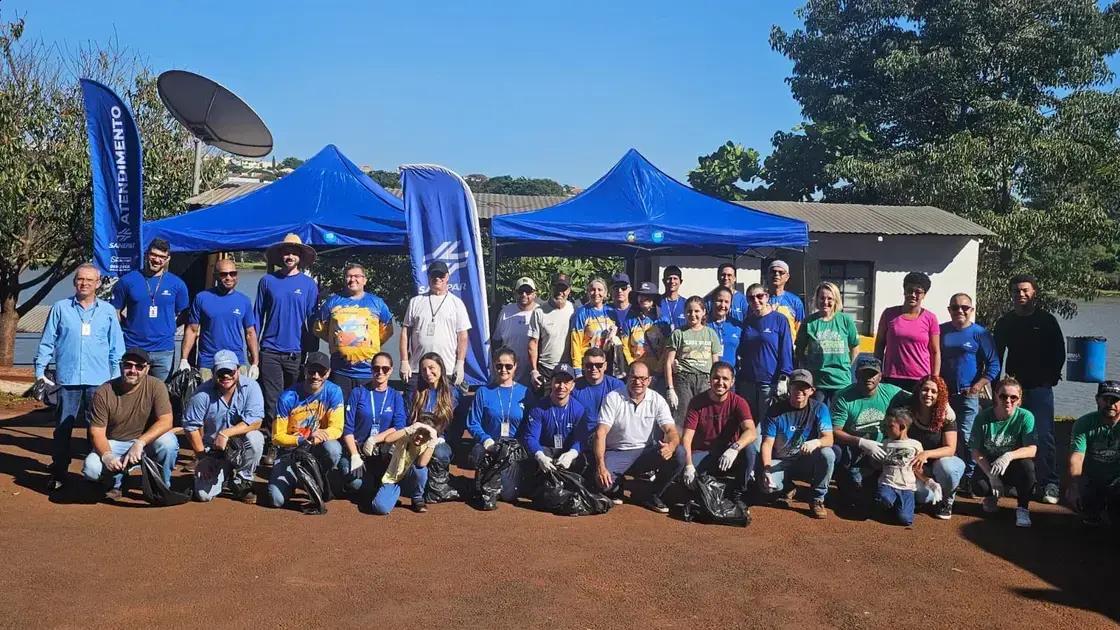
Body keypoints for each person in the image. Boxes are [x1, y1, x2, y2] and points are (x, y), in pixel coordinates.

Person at [34, 263, 125, 492]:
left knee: (98, 429)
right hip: (68, 380)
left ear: (98, 283)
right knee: (62, 429)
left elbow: (117, 348)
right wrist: (40, 373)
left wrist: (116, 379)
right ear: (75, 282)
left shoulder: (107, 311)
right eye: (80, 279)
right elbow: (47, 342)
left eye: (89, 280)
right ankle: (59, 472)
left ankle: (98, 473)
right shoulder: (60, 308)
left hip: (100, 382)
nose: (84, 283)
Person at [993, 274, 1065, 506]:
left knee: (1043, 434)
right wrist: (995, 386)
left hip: (1040, 388)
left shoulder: (1046, 320)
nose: (1020, 294)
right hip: (1013, 389)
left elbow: (1059, 351)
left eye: (1025, 290)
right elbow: (996, 355)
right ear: (1011, 294)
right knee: (1012, 434)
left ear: (1034, 293)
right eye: (1016, 290)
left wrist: (1051, 377)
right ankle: (1016, 481)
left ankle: (1049, 482)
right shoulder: (1005, 322)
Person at [81, 348, 180, 499]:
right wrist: (107, 456)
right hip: (115, 442)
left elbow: (166, 421)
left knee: (168, 443)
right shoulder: (104, 392)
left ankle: (160, 486)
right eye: (128, 365)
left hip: (145, 442)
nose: (133, 370)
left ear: (147, 369)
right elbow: (96, 432)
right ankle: (116, 482)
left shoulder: (157, 386)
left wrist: (140, 442)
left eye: (139, 366)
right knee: (91, 469)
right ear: (121, 366)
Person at [255, 234, 319, 463]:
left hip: (296, 352)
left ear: (300, 257)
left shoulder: (309, 285)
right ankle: (274, 444)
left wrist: (312, 352)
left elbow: (313, 321)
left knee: (294, 400)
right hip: (270, 350)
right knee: (273, 401)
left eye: (294, 253)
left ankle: (292, 444)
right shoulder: (267, 281)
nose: (289, 256)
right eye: (286, 253)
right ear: (280, 255)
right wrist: (253, 353)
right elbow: (257, 317)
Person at [593, 362, 687, 513]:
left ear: (649, 380)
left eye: (643, 378)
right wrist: (601, 466)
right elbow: (601, 432)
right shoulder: (613, 398)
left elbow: (671, 430)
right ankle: (618, 486)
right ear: (628, 378)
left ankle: (652, 494)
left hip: (645, 453)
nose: (638, 382)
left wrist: (671, 446)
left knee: (680, 453)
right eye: (634, 377)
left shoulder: (657, 399)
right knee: (603, 484)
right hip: (617, 452)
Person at [181, 350, 265, 503]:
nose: (226, 376)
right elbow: (190, 426)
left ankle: (242, 479)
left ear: (237, 370)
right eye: (221, 372)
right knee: (204, 495)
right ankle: (225, 474)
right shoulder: (201, 394)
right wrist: (201, 458)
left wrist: (226, 433)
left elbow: (256, 421)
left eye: (230, 371)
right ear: (213, 373)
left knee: (256, 438)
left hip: (241, 446)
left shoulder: (252, 387)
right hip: (214, 449)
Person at [265, 351, 344, 508]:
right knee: (276, 500)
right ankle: (297, 478)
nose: (315, 376)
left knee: (333, 449)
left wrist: (317, 438)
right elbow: (277, 437)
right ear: (304, 370)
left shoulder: (334, 391)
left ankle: (317, 477)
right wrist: (305, 437)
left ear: (328, 373)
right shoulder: (287, 397)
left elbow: (337, 428)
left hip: (316, 448)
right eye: (312, 371)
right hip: (290, 452)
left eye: (321, 372)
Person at [830, 357, 909, 507]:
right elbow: (835, 431)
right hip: (853, 449)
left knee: (878, 498)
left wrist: (943, 406)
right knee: (853, 495)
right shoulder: (843, 396)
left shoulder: (891, 392)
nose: (869, 378)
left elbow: (919, 398)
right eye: (864, 373)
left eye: (873, 374)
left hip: (882, 450)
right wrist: (861, 442)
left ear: (880, 376)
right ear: (856, 374)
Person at [939, 292, 1000, 487]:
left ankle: (971, 477)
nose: (960, 311)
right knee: (945, 436)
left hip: (967, 396)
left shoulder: (980, 333)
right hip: (943, 395)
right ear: (949, 310)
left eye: (964, 307)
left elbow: (994, 365)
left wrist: (977, 386)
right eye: (955, 307)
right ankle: (950, 477)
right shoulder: (940, 331)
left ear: (971, 310)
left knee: (967, 437)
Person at [758, 369, 835, 519]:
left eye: (804, 387)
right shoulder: (775, 410)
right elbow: (767, 443)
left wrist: (817, 442)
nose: (799, 391)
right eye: (795, 386)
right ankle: (787, 486)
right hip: (781, 461)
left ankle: (817, 498)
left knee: (828, 454)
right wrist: (766, 469)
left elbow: (829, 439)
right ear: (789, 388)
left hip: (806, 460)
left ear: (812, 390)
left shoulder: (820, 408)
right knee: (767, 488)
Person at [681, 362, 757, 509]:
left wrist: (734, 448)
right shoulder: (697, 402)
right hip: (704, 453)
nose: (720, 382)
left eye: (725, 379)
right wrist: (689, 465)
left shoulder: (738, 402)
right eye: (716, 378)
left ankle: (738, 493)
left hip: (728, 454)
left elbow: (751, 431)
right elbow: (686, 438)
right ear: (709, 379)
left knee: (750, 449)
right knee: (684, 477)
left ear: (732, 382)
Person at [110, 238, 189, 380]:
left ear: (168, 259)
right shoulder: (127, 281)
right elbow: (115, 311)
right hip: (133, 347)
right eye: (154, 255)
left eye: (162, 257)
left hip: (163, 349)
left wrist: (168, 327)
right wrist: (127, 327)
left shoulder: (177, 284)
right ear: (146, 254)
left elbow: (184, 314)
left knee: (160, 391)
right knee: (131, 389)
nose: (157, 260)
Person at [314, 262, 394, 400]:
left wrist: (370, 343)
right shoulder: (332, 302)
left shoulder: (377, 303)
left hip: (368, 372)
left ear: (364, 280)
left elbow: (387, 330)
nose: (352, 279)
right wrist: (337, 341)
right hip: (340, 371)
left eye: (357, 276)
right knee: (341, 410)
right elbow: (319, 328)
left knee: (366, 409)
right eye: (349, 276)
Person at [969, 377, 1038, 528]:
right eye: (1003, 396)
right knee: (979, 486)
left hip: (1013, 466)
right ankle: (991, 495)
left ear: (1019, 399)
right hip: (991, 465)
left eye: (1013, 397)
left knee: (1028, 468)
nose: (1008, 400)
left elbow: (1032, 449)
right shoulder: (983, 417)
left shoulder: (1026, 417)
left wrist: (1009, 455)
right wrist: (992, 476)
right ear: (996, 396)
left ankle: (1023, 508)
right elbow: (975, 451)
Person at [465, 347, 532, 503]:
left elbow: (531, 423)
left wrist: (520, 444)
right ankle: (484, 480)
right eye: (499, 366)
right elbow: (473, 422)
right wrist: (486, 440)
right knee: (485, 491)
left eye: (508, 366)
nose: (503, 370)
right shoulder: (483, 392)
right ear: (493, 366)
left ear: (515, 366)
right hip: (491, 445)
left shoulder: (525, 392)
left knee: (509, 495)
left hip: (514, 446)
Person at [180, 257, 260, 381]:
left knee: (237, 394)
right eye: (224, 274)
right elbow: (192, 330)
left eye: (232, 273)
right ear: (216, 276)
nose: (229, 277)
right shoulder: (202, 298)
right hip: (208, 363)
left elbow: (250, 333)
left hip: (236, 361)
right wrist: (184, 359)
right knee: (205, 394)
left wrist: (255, 362)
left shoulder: (244, 301)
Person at [339, 352, 407, 494]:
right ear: (371, 369)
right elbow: (348, 428)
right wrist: (354, 455)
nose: (380, 372)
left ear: (391, 370)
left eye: (385, 369)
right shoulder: (358, 392)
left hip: (381, 451)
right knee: (356, 483)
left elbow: (399, 426)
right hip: (359, 449)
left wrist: (375, 439)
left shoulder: (395, 396)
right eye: (376, 368)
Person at [401, 261, 471, 389]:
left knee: (445, 402)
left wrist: (460, 364)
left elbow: (463, 336)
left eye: (441, 275)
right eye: (434, 275)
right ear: (428, 277)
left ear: (447, 277)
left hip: (447, 369)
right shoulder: (415, 302)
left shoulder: (457, 303)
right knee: (415, 402)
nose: (437, 278)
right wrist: (404, 361)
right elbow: (405, 333)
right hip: (417, 369)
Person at [522, 364, 591, 494]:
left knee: (585, 461)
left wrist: (572, 454)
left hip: (566, 453)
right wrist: (540, 456)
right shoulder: (538, 408)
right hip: (546, 452)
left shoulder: (579, 409)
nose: (562, 386)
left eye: (566, 382)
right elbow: (530, 437)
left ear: (572, 386)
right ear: (551, 383)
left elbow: (581, 438)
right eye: (558, 381)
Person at [907, 375, 966, 519]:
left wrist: (926, 454)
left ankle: (947, 499)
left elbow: (950, 448)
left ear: (940, 396)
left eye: (934, 391)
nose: (928, 394)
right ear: (918, 391)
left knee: (948, 469)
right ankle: (932, 493)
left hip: (942, 462)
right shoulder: (909, 412)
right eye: (925, 389)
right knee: (922, 496)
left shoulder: (946, 415)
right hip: (918, 467)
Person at [795, 282, 860, 407]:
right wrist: (807, 370)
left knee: (839, 416)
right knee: (818, 416)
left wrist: (847, 365)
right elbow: (799, 351)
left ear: (836, 300)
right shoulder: (809, 322)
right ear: (817, 299)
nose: (825, 302)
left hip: (841, 381)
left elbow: (855, 347)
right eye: (822, 298)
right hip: (817, 383)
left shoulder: (845, 320)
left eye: (830, 298)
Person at [875, 271, 940, 392]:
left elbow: (935, 351)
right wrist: (877, 370)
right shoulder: (889, 314)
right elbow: (879, 344)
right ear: (904, 291)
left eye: (918, 292)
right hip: (892, 377)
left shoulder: (930, 318)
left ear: (924, 295)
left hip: (920, 379)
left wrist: (934, 379)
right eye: (910, 290)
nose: (913, 295)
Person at [1066, 381, 1120, 527]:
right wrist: (1074, 486)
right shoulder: (1084, 423)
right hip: (1092, 479)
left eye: (1115, 400)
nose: (1110, 404)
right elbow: (1077, 458)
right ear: (1097, 399)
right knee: (1086, 509)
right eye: (1106, 399)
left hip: (1117, 480)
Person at [737, 283, 793, 423]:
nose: (756, 300)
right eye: (751, 298)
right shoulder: (747, 322)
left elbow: (786, 350)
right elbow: (742, 350)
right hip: (748, 382)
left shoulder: (779, 320)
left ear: (767, 297)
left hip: (769, 382)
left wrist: (784, 377)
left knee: (767, 424)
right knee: (748, 423)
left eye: (759, 296)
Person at [664, 296, 722, 427]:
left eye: (697, 311)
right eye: (689, 311)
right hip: (684, 380)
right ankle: (680, 440)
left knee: (705, 418)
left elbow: (716, 363)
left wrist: (715, 382)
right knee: (682, 418)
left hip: (705, 380)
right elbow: (668, 362)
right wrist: (670, 388)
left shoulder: (711, 334)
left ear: (703, 312)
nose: (693, 314)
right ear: (684, 313)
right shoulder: (678, 333)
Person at [407, 352, 462, 487]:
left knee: (440, 453)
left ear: (441, 368)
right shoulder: (416, 393)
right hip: (418, 439)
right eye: (423, 369)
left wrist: (443, 438)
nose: (428, 373)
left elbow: (458, 425)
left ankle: (437, 484)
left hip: (441, 441)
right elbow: (408, 418)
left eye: (432, 368)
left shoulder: (452, 393)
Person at [370, 414, 440, 515]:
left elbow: (422, 463)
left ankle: (417, 498)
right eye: (419, 431)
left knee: (421, 470)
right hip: (393, 477)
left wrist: (433, 441)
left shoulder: (429, 443)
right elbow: (388, 439)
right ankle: (391, 496)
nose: (420, 436)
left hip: (410, 480)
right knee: (380, 508)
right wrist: (409, 429)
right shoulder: (406, 434)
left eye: (425, 434)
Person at [875, 408, 924, 527]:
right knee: (883, 498)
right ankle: (889, 505)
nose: (887, 429)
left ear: (902, 427)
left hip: (907, 487)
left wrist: (926, 479)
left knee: (905, 520)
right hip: (888, 483)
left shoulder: (915, 444)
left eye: (890, 426)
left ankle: (901, 507)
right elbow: (877, 463)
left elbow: (918, 468)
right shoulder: (885, 443)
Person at [619, 281, 670, 389]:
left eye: (648, 296)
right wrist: (632, 365)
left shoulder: (663, 321)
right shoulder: (629, 320)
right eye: (641, 295)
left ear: (654, 299)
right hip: (636, 373)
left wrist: (659, 369)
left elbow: (667, 347)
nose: (644, 298)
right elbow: (625, 346)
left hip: (657, 373)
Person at [527, 273, 574, 389]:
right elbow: (533, 343)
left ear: (569, 290)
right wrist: (534, 371)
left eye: (563, 289)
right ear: (551, 288)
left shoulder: (574, 310)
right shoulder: (539, 312)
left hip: (567, 368)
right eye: (557, 288)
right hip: (545, 369)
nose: (560, 292)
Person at [493, 277, 539, 386]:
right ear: (515, 293)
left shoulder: (540, 312)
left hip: (533, 374)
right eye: (520, 291)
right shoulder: (505, 312)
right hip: (508, 373)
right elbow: (496, 341)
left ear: (534, 294)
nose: (524, 294)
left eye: (528, 291)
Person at [569, 277, 618, 376]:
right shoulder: (581, 313)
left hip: (607, 363)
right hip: (589, 364)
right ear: (588, 292)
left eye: (600, 290)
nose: (596, 293)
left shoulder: (611, 312)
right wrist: (577, 369)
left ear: (605, 293)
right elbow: (575, 342)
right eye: (592, 290)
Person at [571, 348, 626, 431]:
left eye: (598, 365)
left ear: (605, 366)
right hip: (581, 435)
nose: (594, 368)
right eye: (589, 365)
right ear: (583, 365)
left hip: (609, 435)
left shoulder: (617, 386)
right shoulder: (573, 387)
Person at [707, 286, 742, 370]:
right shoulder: (703, 324)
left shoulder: (737, 325)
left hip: (731, 374)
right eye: (719, 301)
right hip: (707, 374)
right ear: (712, 301)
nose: (723, 305)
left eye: (726, 302)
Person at [766, 259, 805, 335]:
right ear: (768, 275)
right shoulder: (759, 299)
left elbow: (800, 330)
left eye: (781, 272)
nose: (776, 274)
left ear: (787, 277)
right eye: (773, 271)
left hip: (788, 342)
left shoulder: (795, 301)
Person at [658, 265, 687, 331]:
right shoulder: (657, 302)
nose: (672, 281)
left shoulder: (686, 303)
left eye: (675, 278)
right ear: (663, 281)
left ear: (681, 281)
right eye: (669, 278)